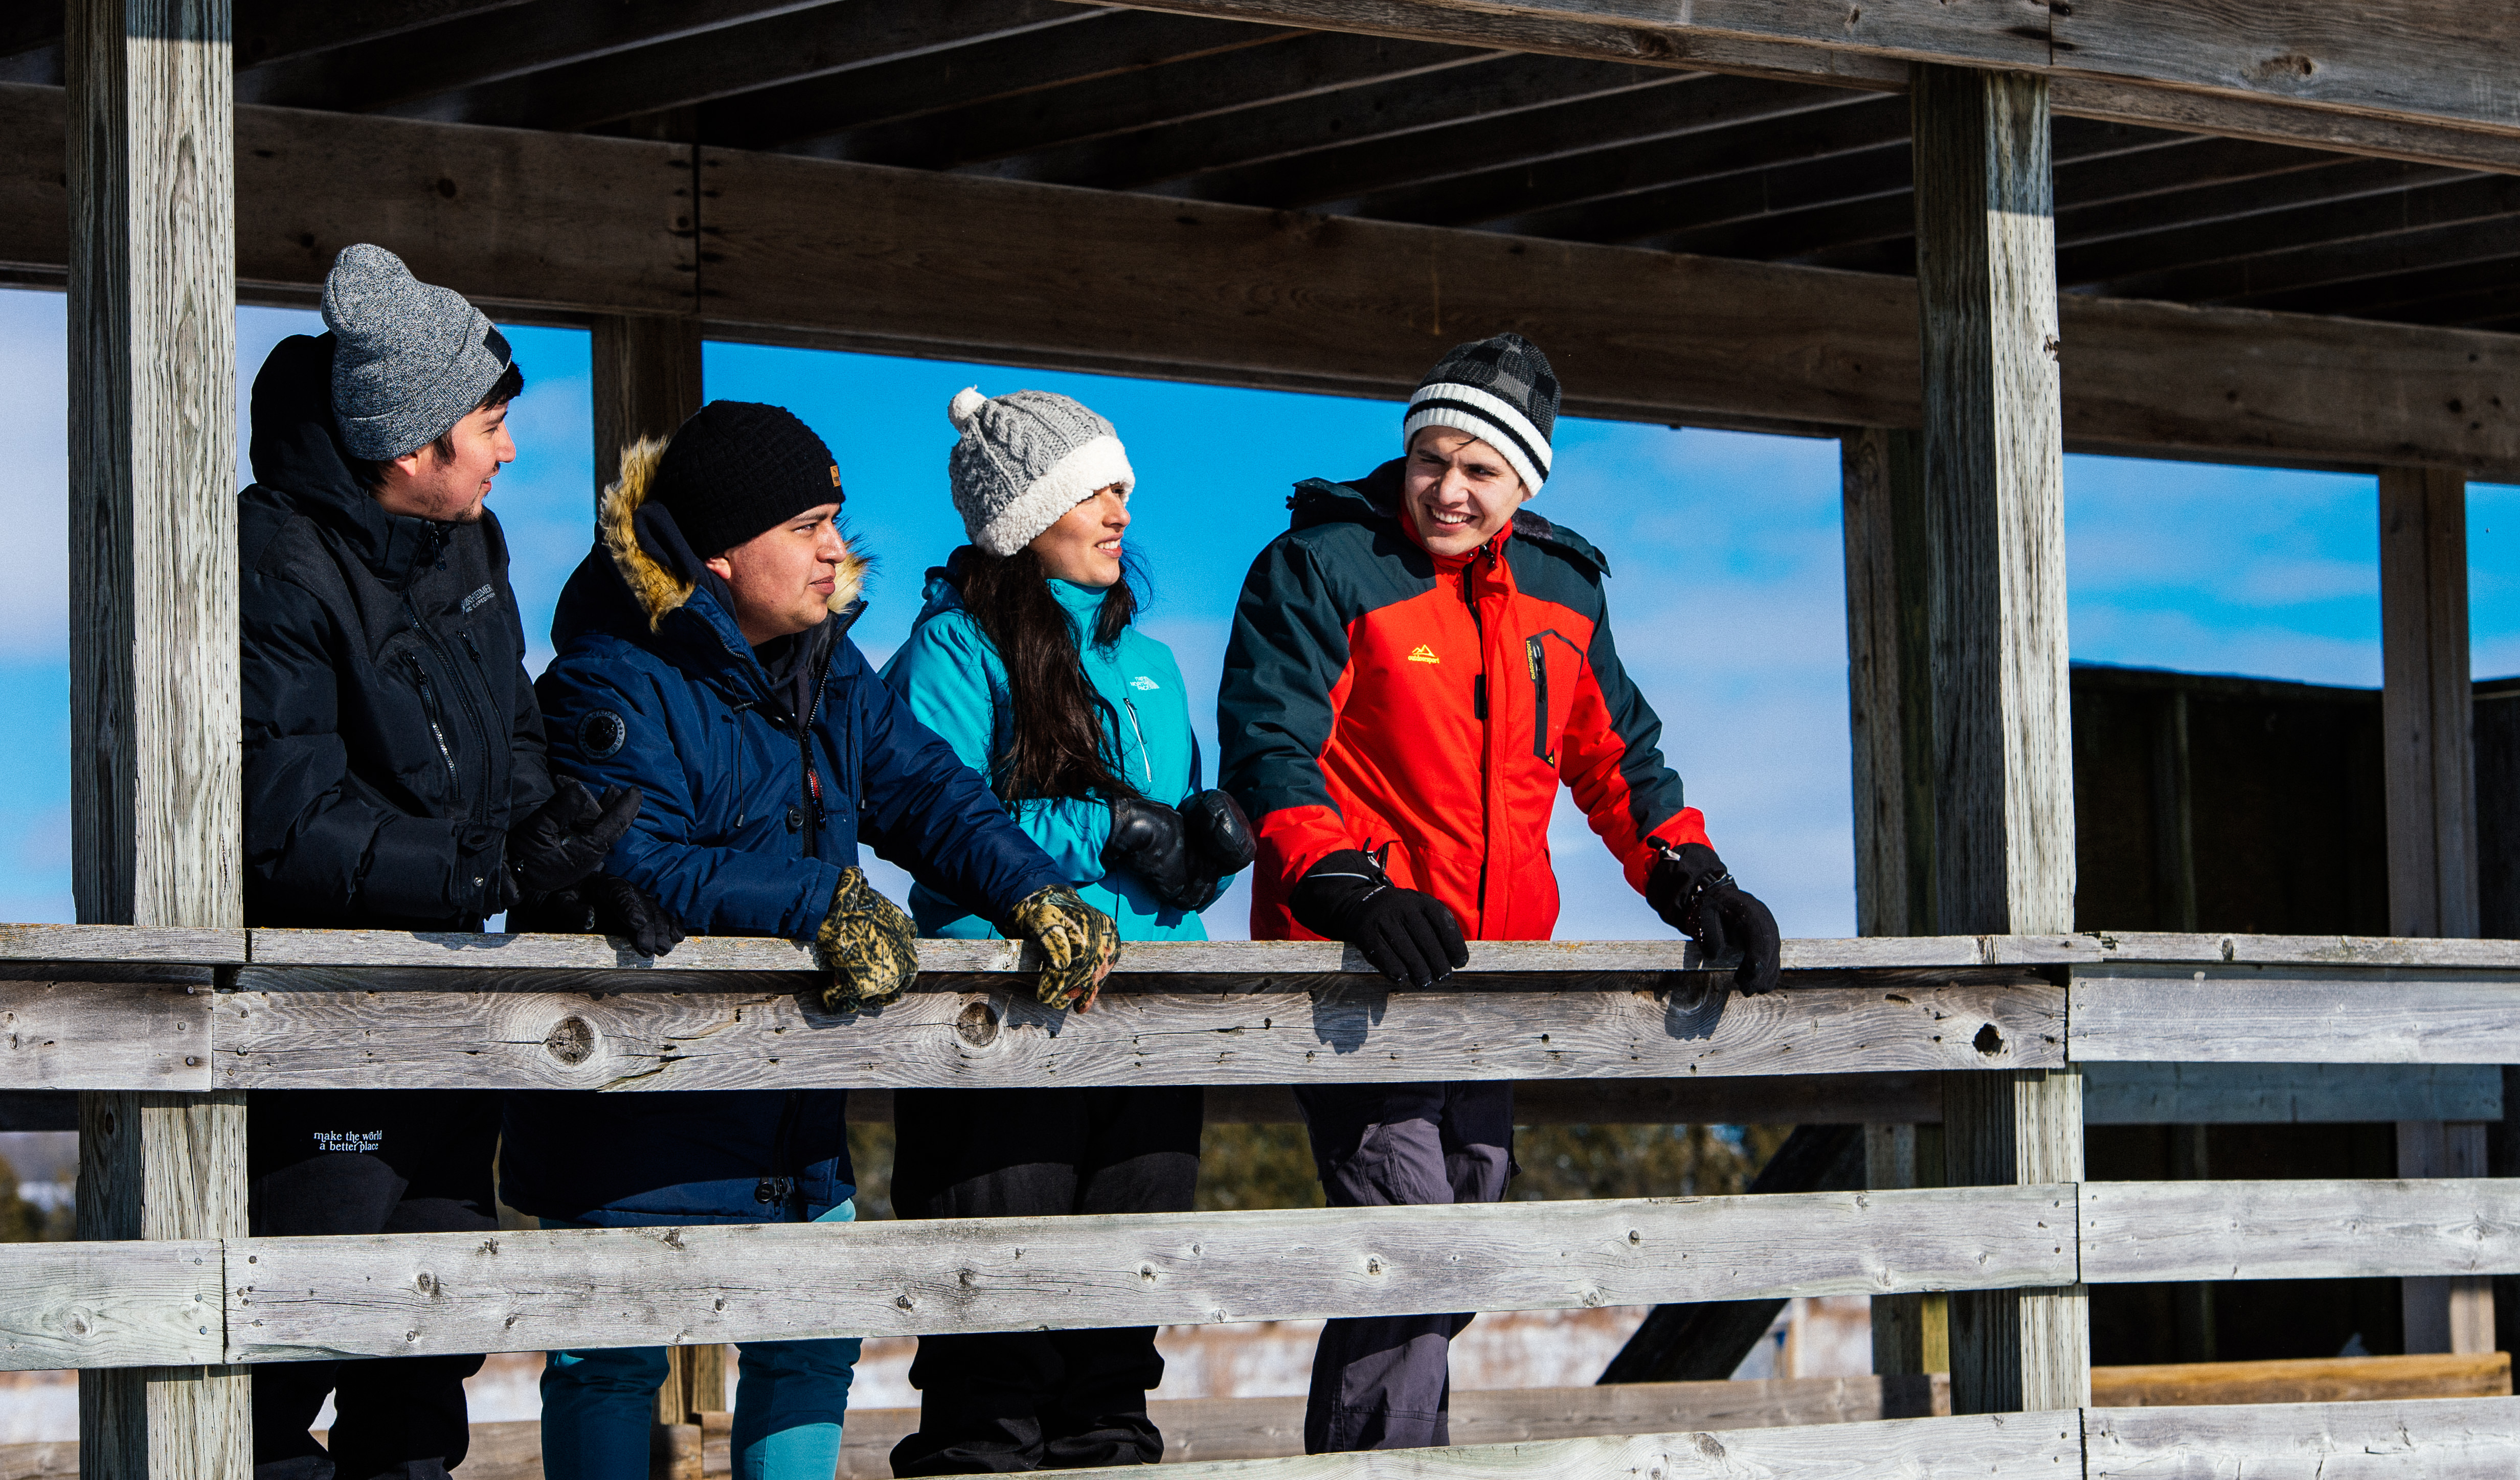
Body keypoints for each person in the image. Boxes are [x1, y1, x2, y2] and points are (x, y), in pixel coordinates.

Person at [501, 399, 1121, 1480]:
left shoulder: (830, 668)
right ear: (719, 555)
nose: (836, 546)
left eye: (834, 517)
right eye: (804, 525)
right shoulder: (609, 675)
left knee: (809, 1338)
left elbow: (930, 793)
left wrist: (1036, 892)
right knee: (610, 1356)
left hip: (789, 1106)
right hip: (637, 1096)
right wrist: (817, 901)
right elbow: (635, 857)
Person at [1217, 333, 1782, 1454]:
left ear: (1524, 482)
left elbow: (1619, 760)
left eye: (1480, 468)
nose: (1449, 488)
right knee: (1408, 1242)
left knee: (1461, 1240)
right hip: (1358, 962)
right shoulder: (1325, 563)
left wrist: (1696, 879)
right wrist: (1345, 886)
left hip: (1491, 978)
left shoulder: (1561, 590)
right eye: (1432, 458)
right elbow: (1269, 746)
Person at [239, 244, 643, 1480]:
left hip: (448, 1011)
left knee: (430, 1352)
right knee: (299, 1343)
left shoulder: (471, 546)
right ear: (415, 445)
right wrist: (484, 868)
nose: (511, 448)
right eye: (492, 423)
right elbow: (285, 817)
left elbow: (511, 740)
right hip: (320, 1021)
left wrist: (571, 872)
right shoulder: (274, 559)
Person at [879, 388, 1254, 1474]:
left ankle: (1109, 1443)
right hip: (1001, 1017)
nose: (1119, 507)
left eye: (1123, 486)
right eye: (1093, 487)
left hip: (1147, 1016)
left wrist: (1200, 853)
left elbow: (1167, 862)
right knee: (992, 1328)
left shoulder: (1156, 664)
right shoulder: (953, 648)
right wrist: (1111, 825)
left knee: (1118, 1319)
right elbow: (935, 818)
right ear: (1023, 509)